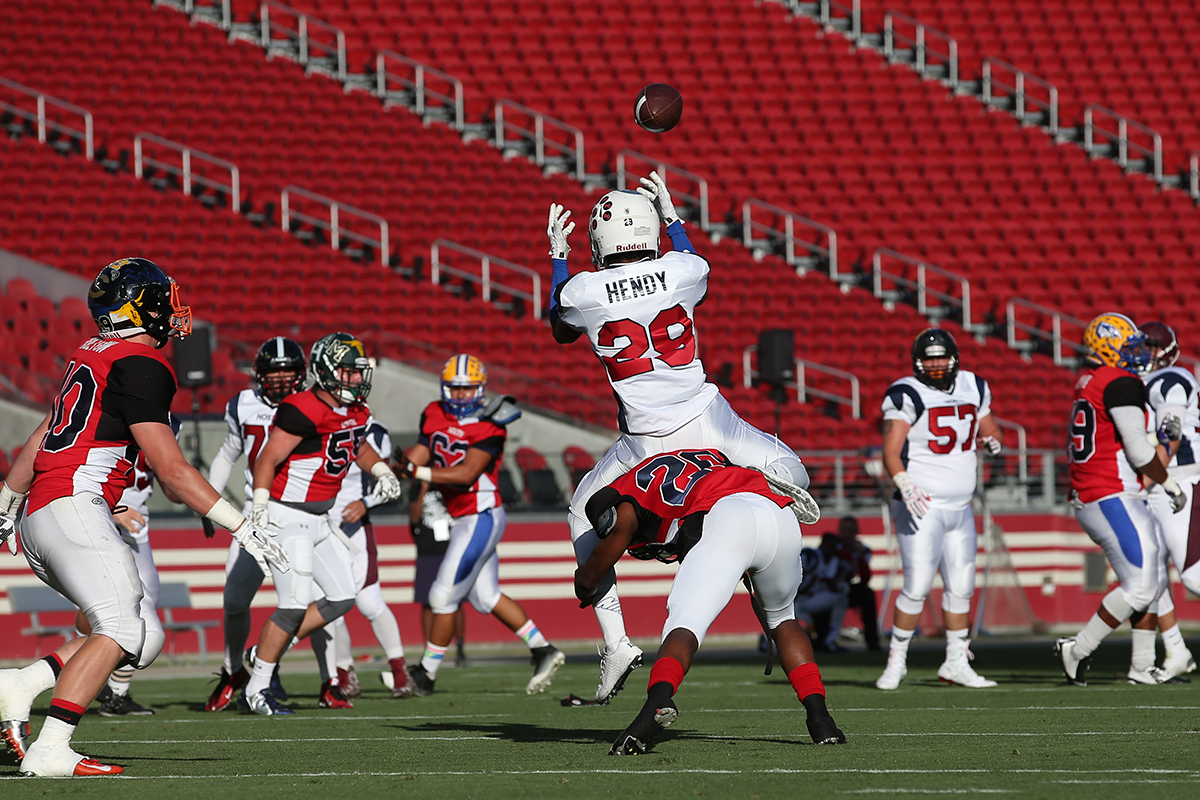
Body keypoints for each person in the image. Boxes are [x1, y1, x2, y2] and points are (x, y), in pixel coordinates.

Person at [0, 257, 286, 776]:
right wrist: (243, 525)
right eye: (163, 297)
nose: (172, 307)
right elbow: (172, 470)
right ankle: (49, 750)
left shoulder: (92, 353)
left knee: (143, 635)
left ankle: (20, 684)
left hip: (48, 511)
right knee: (121, 628)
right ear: (142, 308)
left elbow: (44, 432)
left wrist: (6, 500)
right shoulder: (141, 362)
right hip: (73, 506)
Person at [547, 173, 810, 703]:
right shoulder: (682, 269)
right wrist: (674, 220)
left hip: (645, 440)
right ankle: (767, 583)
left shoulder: (583, 289)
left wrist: (558, 256)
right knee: (792, 477)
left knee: (582, 513)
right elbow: (697, 270)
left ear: (600, 243)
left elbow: (560, 323)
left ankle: (617, 640)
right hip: (711, 420)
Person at [574, 448, 845, 755]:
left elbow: (593, 574)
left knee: (684, 622)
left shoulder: (624, 500)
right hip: (775, 509)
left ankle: (656, 703)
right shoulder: (700, 457)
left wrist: (583, 584)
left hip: (725, 516)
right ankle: (821, 719)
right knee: (783, 619)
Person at [239, 332, 402, 715]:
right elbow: (266, 458)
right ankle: (257, 687)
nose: (356, 380)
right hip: (287, 514)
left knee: (344, 596)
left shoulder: (357, 411)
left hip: (319, 518)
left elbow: (356, 444)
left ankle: (261, 654)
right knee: (292, 606)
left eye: (358, 372)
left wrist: (381, 470)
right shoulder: (303, 408)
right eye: (348, 372)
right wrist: (259, 505)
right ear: (327, 371)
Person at [397, 354, 565, 696]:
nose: (460, 396)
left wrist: (419, 473)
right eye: (454, 389)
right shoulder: (433, 413)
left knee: (441, 596)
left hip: (480, 516)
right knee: (486, 597)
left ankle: (426, 674)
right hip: (464, 517)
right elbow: (423, 450)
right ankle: (543, 649)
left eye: (467, 389)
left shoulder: (492, 424)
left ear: (480, 389)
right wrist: (398, 467)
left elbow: (466, 473)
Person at [1057, 313, 1187, 686]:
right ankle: (1078, 650)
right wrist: (1170, 484)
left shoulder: (1090, 380)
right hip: (1110, 493)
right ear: (1108, 350)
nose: (1138, 354)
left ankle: (1142, 664)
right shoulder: (1118, 382)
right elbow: (1135, 449)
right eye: (1128, 347)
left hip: (1102, 492)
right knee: (1142, 585)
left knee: (1150, 578)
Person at [876, 328, 1002, 690]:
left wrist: (992, 441)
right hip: (922, 505)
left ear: (954, 357)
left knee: (961, 587)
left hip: (961, 507)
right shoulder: (906, 393)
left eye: (940, 358)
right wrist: (904, 483)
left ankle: (955, 662)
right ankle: (896, 661)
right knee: (916, 586)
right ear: (917, 361)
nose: (935, 365)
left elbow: (993, 430)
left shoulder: (974, 385)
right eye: (928, 359)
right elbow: (890, 450)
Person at [203, 336, 306, 712]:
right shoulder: (243, 404)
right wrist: (209, 502)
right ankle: (234, 672)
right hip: (254, 514)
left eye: (287, 372)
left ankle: (333, 677)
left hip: (300, 512)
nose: (280, 380)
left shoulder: (312, 406)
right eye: (273, 372)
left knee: (322, 598)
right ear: (259, 375)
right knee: (233, 601)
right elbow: (227, 453)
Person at [83, 420, 182, 717]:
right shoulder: (104, 413)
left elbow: (174, 489)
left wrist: (167, 469)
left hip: (138, 523)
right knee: (109, 605)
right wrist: (112, 510)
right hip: (96, 512)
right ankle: (76, 663)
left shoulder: (167, 421)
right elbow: (79, 470)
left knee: (146, 602)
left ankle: (117, 692)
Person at [315, 418, 416, 700]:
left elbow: (388, 483)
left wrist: (365, 503)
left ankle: (399, 670)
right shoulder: (312, 419)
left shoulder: (373, 431)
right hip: (317, 526)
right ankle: (344, 674)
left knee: (369, 601)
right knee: (326, 606)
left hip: (353, 527)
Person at [1139, 321, 1198, 677]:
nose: (1144, 354)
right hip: (1159, 483)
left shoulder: (1171, 379)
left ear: (1168, 350)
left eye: (1151, 346)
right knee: (1149, 574)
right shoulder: (1142, 381)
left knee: (1193, 577)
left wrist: (1147, 478)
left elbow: (1170, 436)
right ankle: (1176, 650)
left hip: (1178, 481)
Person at [792, 533, 853, 652]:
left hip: (811, 600)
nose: (831, 549)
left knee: (842, 594)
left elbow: (832, 584)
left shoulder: (833, 561)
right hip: (795, 601)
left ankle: (829, 641)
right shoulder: (811, 556)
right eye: (829, 545)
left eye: (833, 547)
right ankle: (766, 641)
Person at [837, 516, 880, 652]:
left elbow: (865, 578)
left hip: (849, 587)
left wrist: (860, 557)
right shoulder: (833, 546)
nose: (848, 534)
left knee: (867, 594)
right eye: (845, 530)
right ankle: (822, 640)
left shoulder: (863, 549)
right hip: (832, 588)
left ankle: (872, 641)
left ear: (856, 531)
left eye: (850, 530)